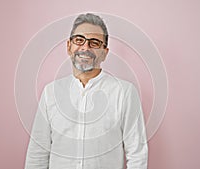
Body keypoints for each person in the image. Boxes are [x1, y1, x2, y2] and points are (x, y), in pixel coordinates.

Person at [25, 13, 148, 169]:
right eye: (79, 40)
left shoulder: (125, 92)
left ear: (104, 52)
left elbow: (137, 153)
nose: (85, 47)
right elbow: (37, 153)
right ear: (69, 46)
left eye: (94, 43)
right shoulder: (51, 92)